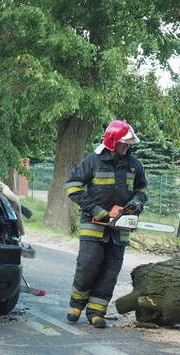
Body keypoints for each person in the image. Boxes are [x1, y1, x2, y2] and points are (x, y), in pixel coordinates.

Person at [64, 120, 148, 328]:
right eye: (124, 143)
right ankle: (76, 305)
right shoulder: (93, 161)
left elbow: (142, 190)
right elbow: (73, 186)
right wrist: (96, 211)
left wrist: (136, 203)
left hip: (120, 229)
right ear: (112, 142)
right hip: (94, 224)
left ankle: (96, 312)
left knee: (111, 271)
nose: (127, 147)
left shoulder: (134, 164)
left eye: (128, 144)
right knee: (88, 266)